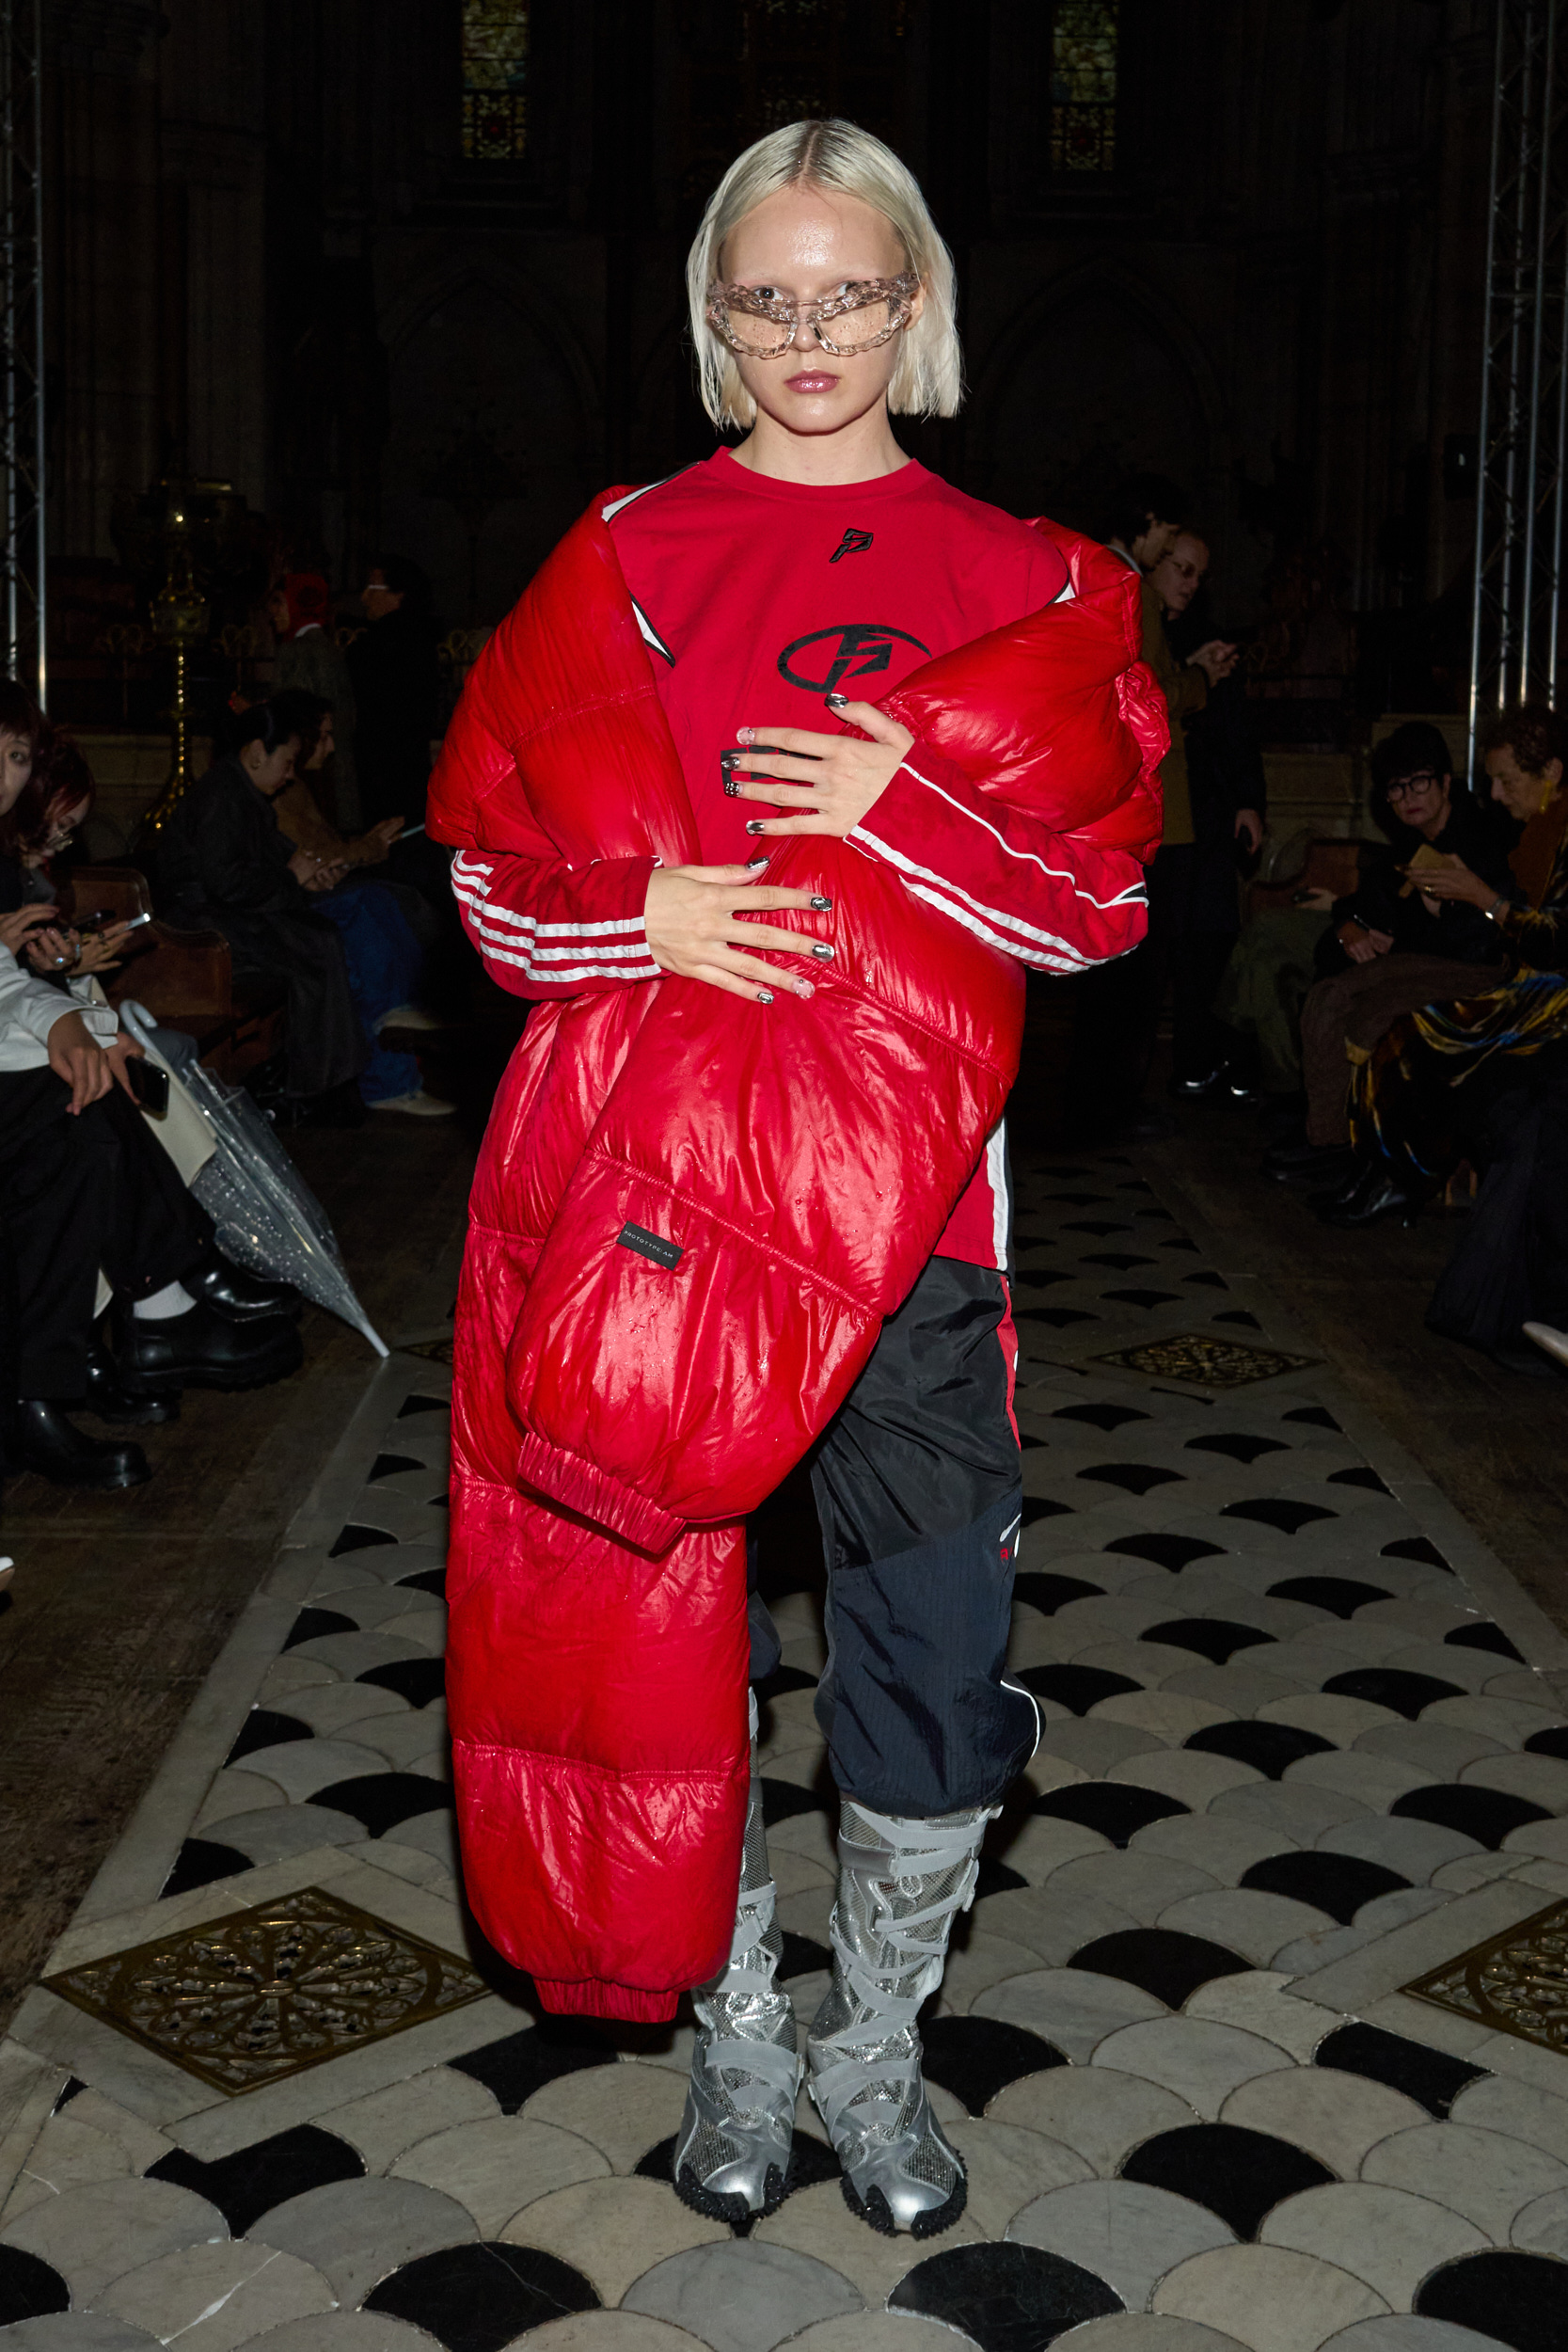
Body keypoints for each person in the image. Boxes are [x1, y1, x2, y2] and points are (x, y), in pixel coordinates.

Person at [428, 118, 1164, 2240]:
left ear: (913, 301)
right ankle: (736, 2031)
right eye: (769, 295)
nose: (810, 331)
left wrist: (899, 803)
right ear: (713, 309)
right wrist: (637, 921)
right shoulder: (627, 546)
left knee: (926, 1662)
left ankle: (879, 2049)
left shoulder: (1028, 577)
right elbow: (492, 874)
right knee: (659, 1653)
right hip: (650, 1208)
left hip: (914, 1240)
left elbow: (1099, 914)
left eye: (850, 291)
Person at [1323, 702, 1568, 1229]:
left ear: (1551, 772)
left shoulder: (1535, 832)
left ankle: (1403, 1176)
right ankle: (1382, 1169)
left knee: (1424, 1034)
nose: (1497, 795)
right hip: (1527, 981)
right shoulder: (1535, 831)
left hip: (1547, 996)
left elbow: (1548, 939)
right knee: (1401, 1028)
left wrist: (1481, 897)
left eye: (1506, 781)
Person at [153, 703, 448, 1118]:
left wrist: (307, 876)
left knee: (343, 924)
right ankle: (322, 1085)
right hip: (207, 929)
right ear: (258, 752)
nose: (291, 773)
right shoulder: (223, 796)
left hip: (236, 914)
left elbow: (274, 861)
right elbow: (227, 884)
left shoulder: (243, 793)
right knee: (321, 941)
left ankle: (342, 1071)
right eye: (287, 762)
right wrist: (293, 880)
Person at [1266, 722, 1516, 1190]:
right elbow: (1365, 911)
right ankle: (1328, 1140)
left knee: (1370, 1012)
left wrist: (1429, 917)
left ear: (1445, 782)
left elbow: (1481, 937)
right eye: (1396, 789)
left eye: (1419, 782)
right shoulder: (1403, 849)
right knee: (1328, 993)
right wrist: (1347, 927)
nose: (1408, 798)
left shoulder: (1484, 837)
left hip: (1473, 966)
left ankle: (1362, 1153)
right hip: (1422, 961)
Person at [1062, 481, 1239, 1138]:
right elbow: (1144, 695)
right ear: (1150, 527)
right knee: (1131, 974)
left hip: (1139, 815)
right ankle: (1107, 1106)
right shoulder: (1122, 583)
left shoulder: (1110, 580)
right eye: (1172, 543)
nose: (1175, 556)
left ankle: (1106, 1101)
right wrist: (1198, 681)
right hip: (1146, 817)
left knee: (1127, 972)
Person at [1150, 532, 1265, 1096]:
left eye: (1200, 575)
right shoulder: (1142, 627)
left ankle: (1201, 1058)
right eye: (1183, 569)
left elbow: (1234, 729)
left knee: (1212, 935)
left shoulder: (1205, 637)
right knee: (1158, 944)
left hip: (1209, 810)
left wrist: (1249, 800)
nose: (1191, 584)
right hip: (1156, 814)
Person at [346, 556, 441, 829]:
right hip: (407, 764)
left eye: (373, 589)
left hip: (383, 766)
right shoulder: (419, 640)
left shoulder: (383, 645)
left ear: (399, 594)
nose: (364, 598)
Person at [269, 572, 361, 830]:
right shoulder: (329, 649)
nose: (273, 612)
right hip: (337, 775)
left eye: (279, 602)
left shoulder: (296, 650)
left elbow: (293, 716)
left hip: (311, 776)